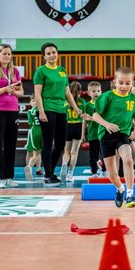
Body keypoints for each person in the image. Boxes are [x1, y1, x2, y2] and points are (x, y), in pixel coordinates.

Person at [91, 67, 135, 208]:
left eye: (128, 83)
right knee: (112, 175)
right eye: (121, 83)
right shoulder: (107, 97)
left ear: (132, 83)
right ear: (115, 82)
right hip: (106, 135)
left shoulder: (132, 97)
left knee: (128, 160)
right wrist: (107, 124)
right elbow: (95, 115)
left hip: (122, 134)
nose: (124, 86)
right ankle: (120, 189)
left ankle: (130, 194)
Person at [34, 43, 83, 186]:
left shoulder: (62, 70)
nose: (52, 55)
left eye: (54, 52)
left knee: (61, 143)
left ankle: (50, 171)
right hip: (47, 108)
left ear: (57, 53)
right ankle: (48, 175)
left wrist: (76, 108)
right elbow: (37, 93)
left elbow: (67, 92)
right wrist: (41, 111)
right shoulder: (41, 71)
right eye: (48, 53)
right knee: (48, 143)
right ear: (44, 56)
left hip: (61, 109)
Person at [0, 44, 23, 189]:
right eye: (4, 53)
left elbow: (21, 93)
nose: (7, 56)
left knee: (10, 144)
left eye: (9, 54)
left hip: (13, 110)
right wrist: (6, 89)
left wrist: (12, 91)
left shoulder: (15, 71)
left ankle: (8, 177)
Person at [61, 81, 86, 182]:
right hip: (78, 126)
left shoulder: (65, 102)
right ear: (80, 91)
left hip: (68, 126)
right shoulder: (82, 102)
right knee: (74, 153)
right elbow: (84, 118)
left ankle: (64, 164)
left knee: (66, 151)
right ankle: (70, 174)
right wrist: (83, 134)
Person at [82, 81, 103, 177]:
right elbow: (84, 121)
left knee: (105, 154)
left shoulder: (104, 104)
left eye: (98, 91)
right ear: (89, 93)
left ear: (101, 92)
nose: (96, 93)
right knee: (93, 155)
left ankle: (105, 170)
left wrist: (91, 118)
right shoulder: (87, 106)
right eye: (93, 91)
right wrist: (83, 134)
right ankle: (94, 172)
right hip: (92, 134)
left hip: (103, 133)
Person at [25, 96, 43, 182]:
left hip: (34, 130)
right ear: (30, 102)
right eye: (33, 101)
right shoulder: (41, 109)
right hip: (37, 131)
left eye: (36, 101)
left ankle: (36, 168)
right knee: (34, 152)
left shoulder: (31, 111)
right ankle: (29, 167)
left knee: (37, 152)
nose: (35, 102)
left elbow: (31, 123)